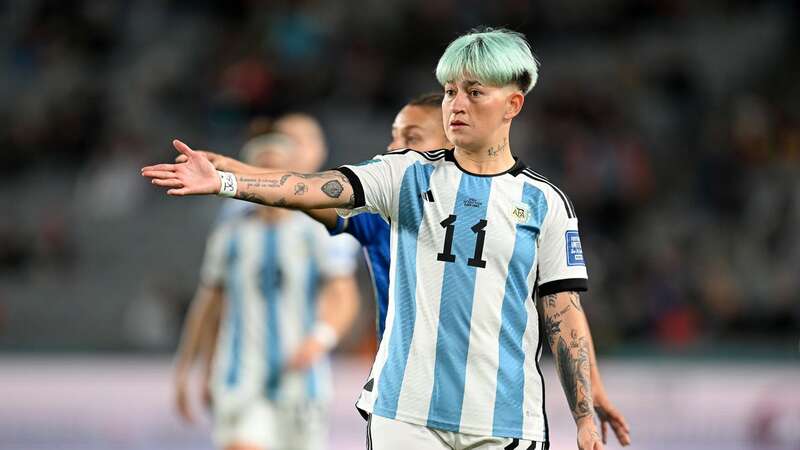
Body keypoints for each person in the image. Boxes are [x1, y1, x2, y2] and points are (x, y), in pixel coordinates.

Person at [144, 27, 611, 450]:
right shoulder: (403, 175)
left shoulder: (546, 203)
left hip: (505, 419)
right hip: (404, 414)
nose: (457, 104)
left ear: (513, 104)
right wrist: (227, 180)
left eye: (474, 92)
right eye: (450, 92)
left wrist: (585, 414)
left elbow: (562, 313)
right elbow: (307, 187)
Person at [170, 133, 361, 450]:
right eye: (260, 167)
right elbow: (208, 307)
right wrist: (187, 369)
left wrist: (320, 338)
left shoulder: (316, 231)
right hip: (240, 379)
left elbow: (345, 296)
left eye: (276, 168)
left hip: (302, 382)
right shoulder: (229, 236)